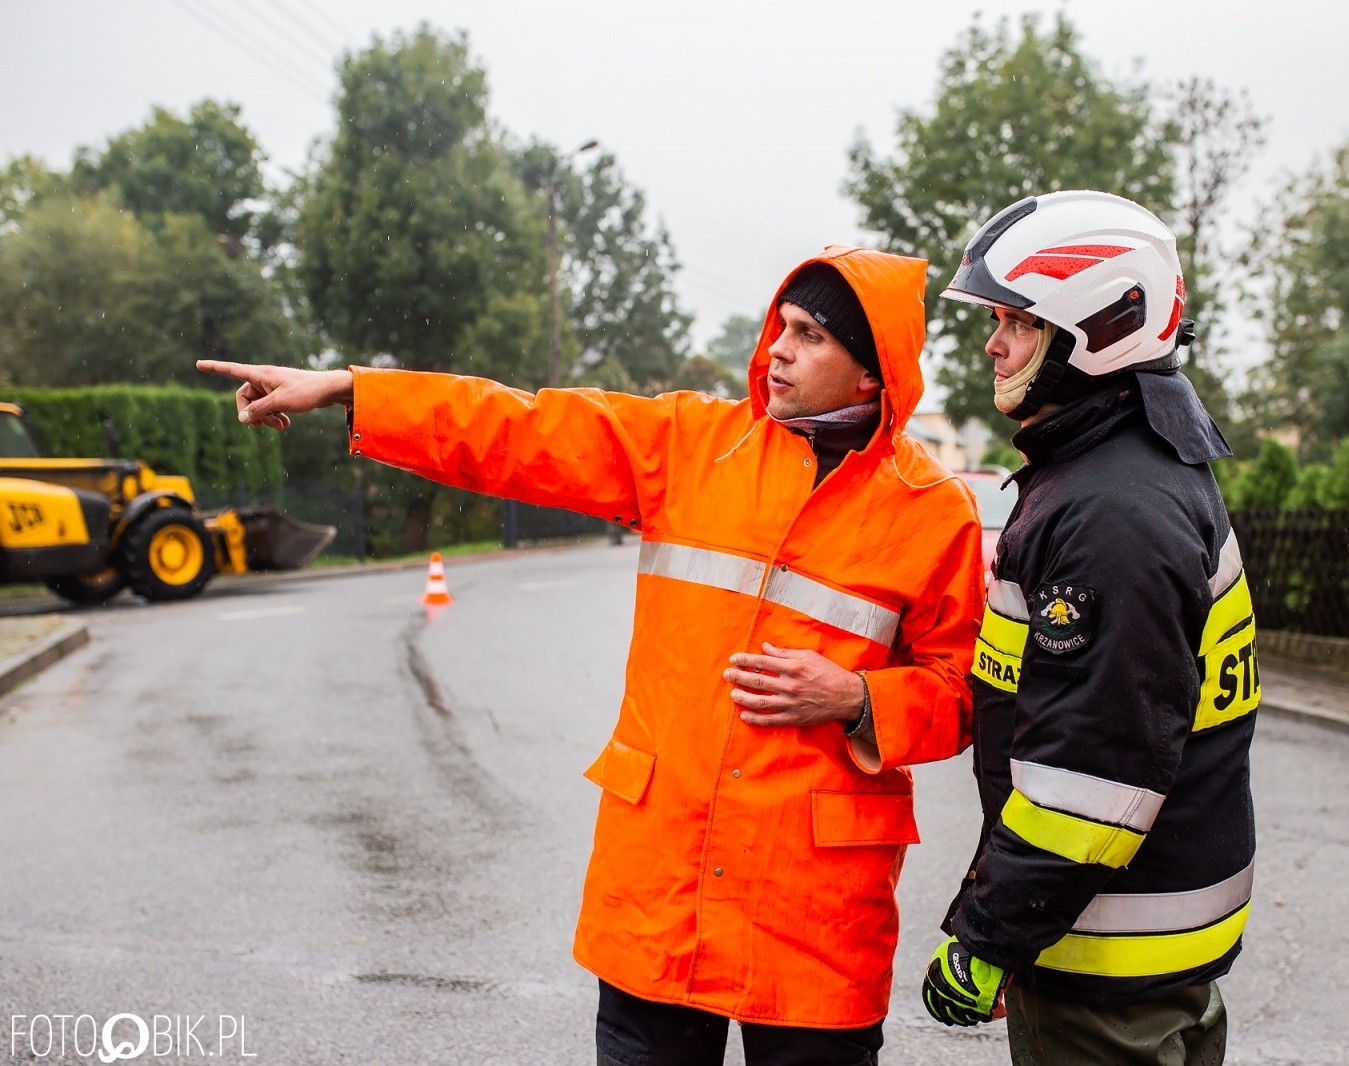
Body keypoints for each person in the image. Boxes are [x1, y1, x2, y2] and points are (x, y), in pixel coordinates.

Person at [198, 246, 985, 1066]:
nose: (778, 348)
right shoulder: (691, 446)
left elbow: (966, 698)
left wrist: (858, 699)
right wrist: (355, 391)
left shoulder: (933, 516)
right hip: (661, 900)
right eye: (781, 327)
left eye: (811, 335)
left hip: (815, 920)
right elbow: (520, 426)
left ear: (872, 374)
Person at [918, 191, 1252, 1065]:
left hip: (1107, 960)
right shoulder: (1122, 468)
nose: (993, 344)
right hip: (1134, 940)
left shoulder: (1114, 508)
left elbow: (1090, 772)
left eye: (1015, 322)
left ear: (1098, 324)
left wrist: (988, 936)